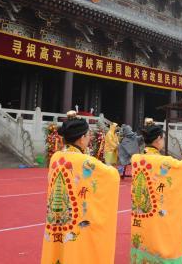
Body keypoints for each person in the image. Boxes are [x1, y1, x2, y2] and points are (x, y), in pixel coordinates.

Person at [41, 113, 120, 263]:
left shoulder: (56, 157)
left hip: (59, 218)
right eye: (88, 134)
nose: (89, 138)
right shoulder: (85, 161)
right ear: (82, 137)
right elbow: (112, 176)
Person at [130, 124, 182, 263]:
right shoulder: (165, 161)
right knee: (159, 239)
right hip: (158, 213)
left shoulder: (136, 159)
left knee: (144, 237)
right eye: (163, 138)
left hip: (142, 212)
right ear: (158, 139)